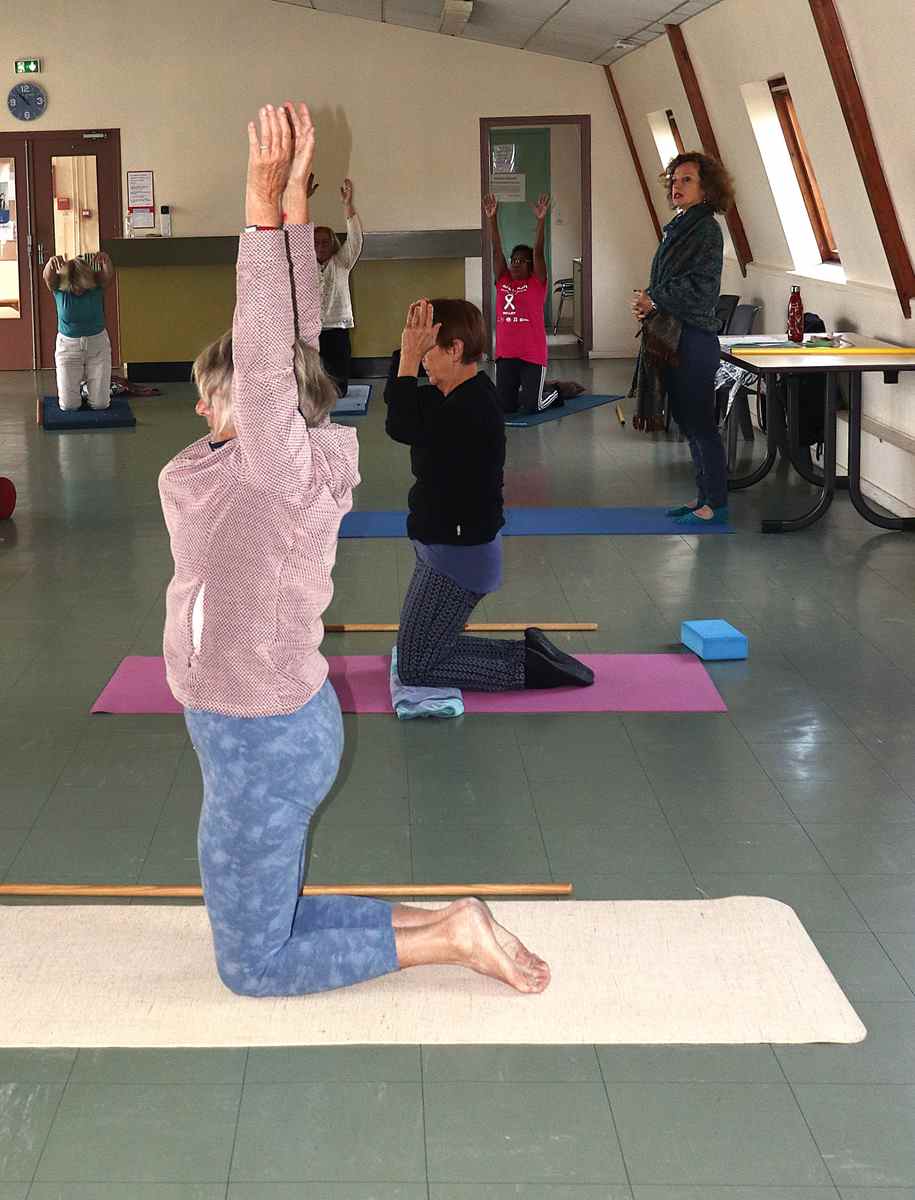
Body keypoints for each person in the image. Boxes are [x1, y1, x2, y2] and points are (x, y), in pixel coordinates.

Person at [158, 101, 550, 999]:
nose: (201, 408)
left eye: (211, 395)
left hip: (259, 735)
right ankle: (445, 922)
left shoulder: (272, 473)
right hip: (256, 728)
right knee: (267, 913)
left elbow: (271, 362)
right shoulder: (279, 452)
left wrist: (260, 217)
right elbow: (296, 351)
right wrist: (296, 211)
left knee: (253, 966)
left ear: (253, 407)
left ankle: (446, 940)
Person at [386, 295, 594, 693]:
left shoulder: (472, 406)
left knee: (416, 667)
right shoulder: (453, 391)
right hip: (442, 544)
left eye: (428, 351)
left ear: (455, 349)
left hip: (458, 556)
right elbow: (399, 400)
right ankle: (528, 652)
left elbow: (401, 424)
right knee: (423, 650)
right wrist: (408, 349)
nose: (421, 360)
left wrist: (410, 359)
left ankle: (530, 670)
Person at [629, 153, 734, 525]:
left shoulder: (705, 230)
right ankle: (703, 497)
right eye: (674, 179)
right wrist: (649, 304)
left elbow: (701, 288)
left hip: (693, 338)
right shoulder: (680, 225)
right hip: (674, 336)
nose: (677, 185)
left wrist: (654, 299)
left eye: (687, 179)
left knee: (701, 424)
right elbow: (668, 279)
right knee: (689, 423)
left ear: (707, 188)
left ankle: (715, 503)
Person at [483, 191, 560, 416]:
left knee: (533, 406)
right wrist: (492, 218)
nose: (515, 263)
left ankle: (554, 392)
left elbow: (538, 253)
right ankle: (530, 391)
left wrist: (541, 221)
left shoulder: (537, 283)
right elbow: (496, 250)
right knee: (505, 407)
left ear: (530, 266)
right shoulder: (503, 279)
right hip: (506, 355)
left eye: (521, 260)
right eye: (513, 259)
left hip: (532, 356)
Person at [310, 174, 363, 397]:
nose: (321, 246)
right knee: (311, 384)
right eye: (316, 242)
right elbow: (291, 238)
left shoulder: (341, 263)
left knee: (339, 387)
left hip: (338, 328)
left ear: (332, 243)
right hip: (311, 329)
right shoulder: (303, 265)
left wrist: (347, 205)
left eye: (325, 242)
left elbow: (355, 240)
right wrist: (301, 200)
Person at [43, 251, 115, 412]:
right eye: (74, 285)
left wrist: (106, 261)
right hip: (68, 348)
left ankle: (88, 389)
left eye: (82, 285)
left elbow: (108, 275)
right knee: (69, 406)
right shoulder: (59, 290)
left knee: (100, 405)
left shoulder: (96, 288)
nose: (78, 289)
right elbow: (47, 277)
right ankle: (82, 388)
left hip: (97, 346)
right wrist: (50, 264)